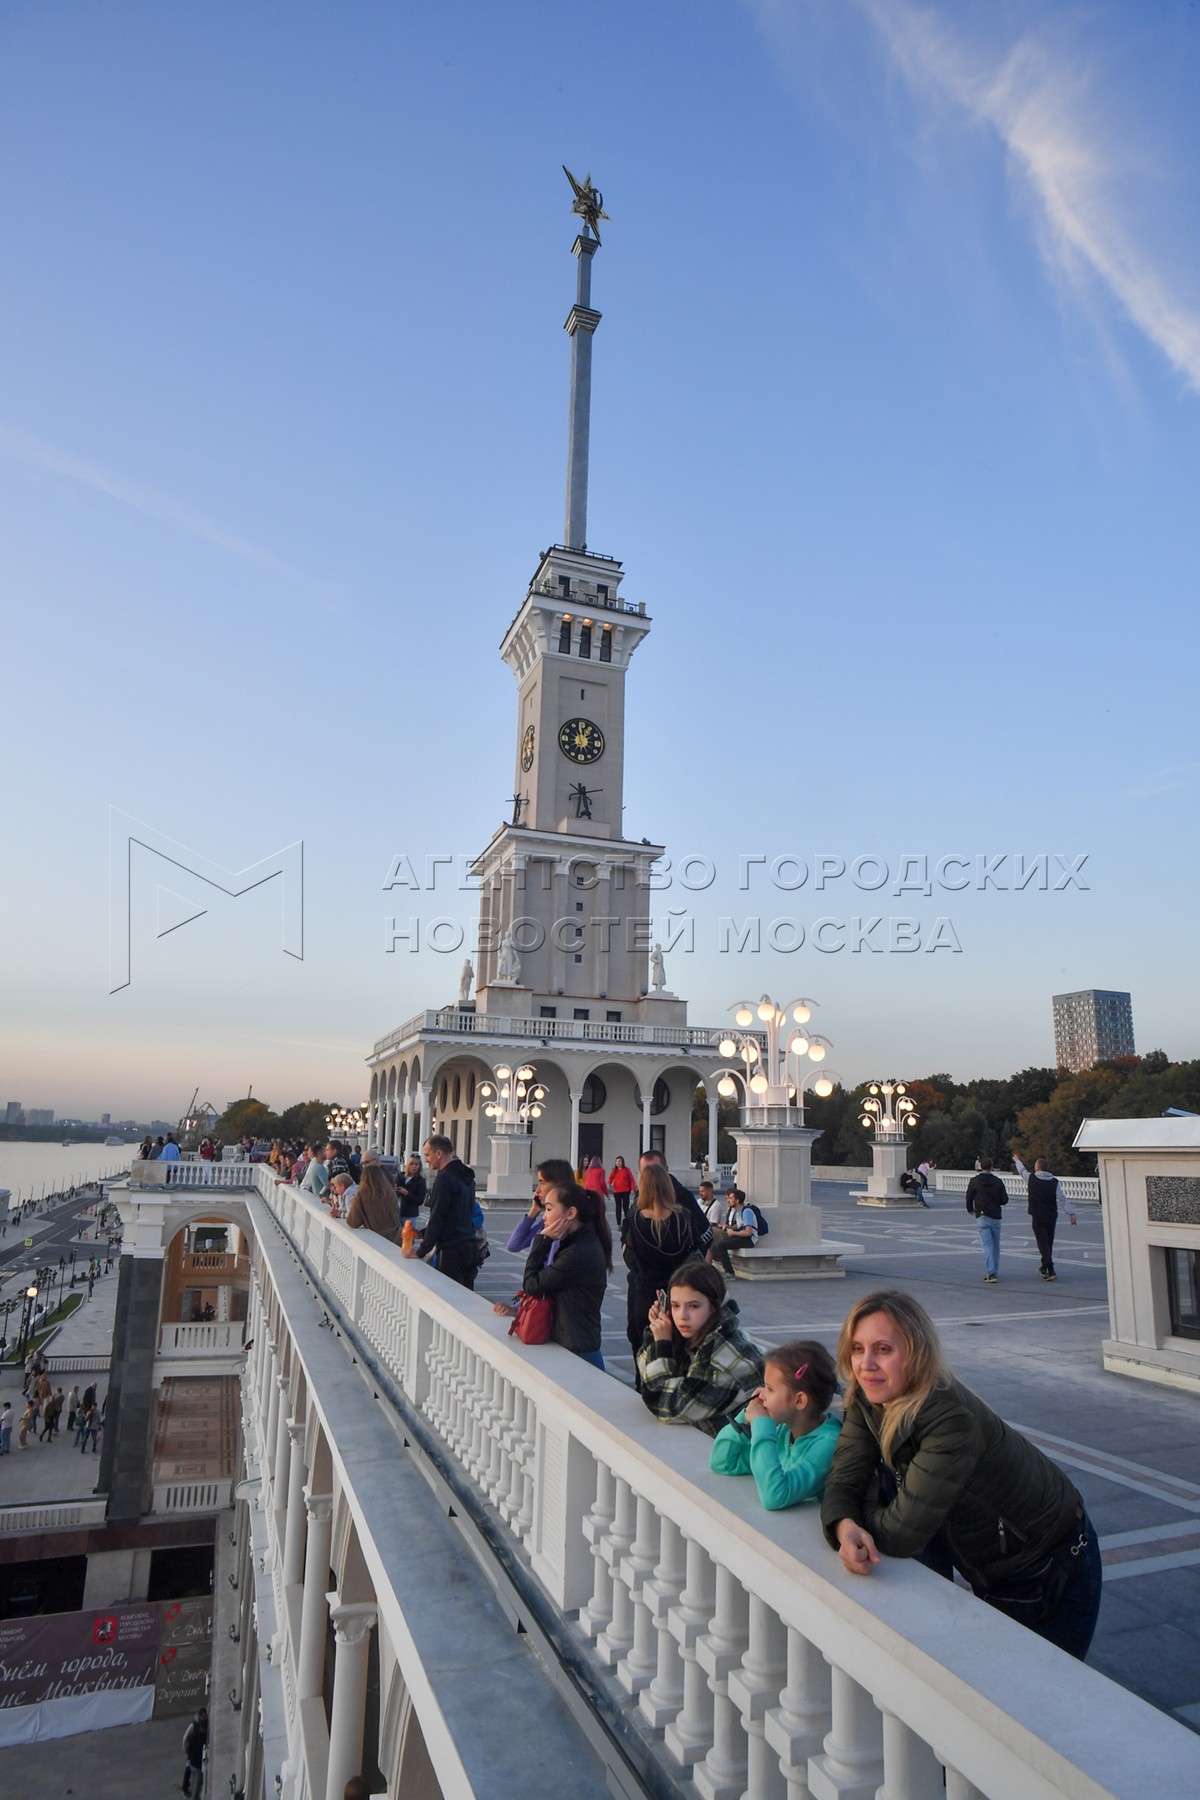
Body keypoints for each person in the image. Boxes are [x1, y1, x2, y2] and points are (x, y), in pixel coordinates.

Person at [820, 1290, 1102, 1659]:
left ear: (917, 1352)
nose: (866, 1364)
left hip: (1049, 1564)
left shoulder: (950, 1421)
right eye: (857, 1349)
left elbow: (902, 1532)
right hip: (992, 1561)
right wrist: (845, 1525)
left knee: (1044, 1686)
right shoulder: (868, 1398)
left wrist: (865, 1512)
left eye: (883, 1349)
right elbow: (844, 1477)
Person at [637, 1260, 764, 1436]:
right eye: (675, 1305)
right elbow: (647, 1376)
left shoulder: (723, 1354)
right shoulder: (699, 1336)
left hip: (743, 1450)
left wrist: (660, 1345)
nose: (682, 1316)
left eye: (693, 1306)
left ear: (714, 1306)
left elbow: (664, 1404)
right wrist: (657, 1332)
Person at [711, 1339, 841, 1509]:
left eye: (770, 1389)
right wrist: (744, 1419)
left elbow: (776, 1495)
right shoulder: (783, 1431)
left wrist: (762, 1427)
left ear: (800, 1401)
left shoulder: (828, 1445)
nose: (761, 1395)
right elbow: (723, 1462)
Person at [493, 1182, 611, 1367]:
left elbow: (532, 1284)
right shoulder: (576, 1242)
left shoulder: (578, 1252)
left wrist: (542, 1240)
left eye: (548, 1209)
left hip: (579, 1352)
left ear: (571, 1213)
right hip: (574, 1345)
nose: (544, 1216)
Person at [622, 1162, 708, 1376]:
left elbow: (630, 1258)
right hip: (675, 1293)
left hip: (644, 1290)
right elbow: (697, 1247)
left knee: (643, 1347)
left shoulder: (635, 1218)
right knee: (675, 1348)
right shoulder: (683, 1217)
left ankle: (644, 1385)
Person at [406, 1136, 479, 1288]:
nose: (426, 1160)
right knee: (465, 1295)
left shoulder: (444, 1178)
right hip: (470, 1246)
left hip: (451, 1251)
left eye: (427, 1155)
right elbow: (457, 1215)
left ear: (438, 1153)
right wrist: (424, 1233)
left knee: (449, 1295)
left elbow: (438, 1217)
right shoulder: (467, 1177)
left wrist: (420, 1251)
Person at [1026, 1158, 1077, 1281]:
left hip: (1037, 1215)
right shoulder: (1054, 1181)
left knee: (1042, 1243)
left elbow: (1021, 1170)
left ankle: (1050, 1269)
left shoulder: (1031, 1178)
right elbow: (1062, 1198)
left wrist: (1017, 1161)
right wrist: (1071, 1213)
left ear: (1037, 1167)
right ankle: (1044, 1267)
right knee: (1048, 1242)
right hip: (1051, 1215)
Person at [964, 1157, 1009, 1283]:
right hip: (995, 1215)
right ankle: (995, 1270)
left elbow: (969, 1197)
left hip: (982, 1215)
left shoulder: (974, 1181)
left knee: (987, 1245)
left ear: (980, 1166)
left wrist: (970, 1209)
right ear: (991, 1167)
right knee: (996, 1245)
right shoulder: (998, 1181)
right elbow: (1004, 1200)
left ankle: (991, 1272)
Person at [345, 1163, 403, 1244]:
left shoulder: (362, 1195)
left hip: (377, 1240)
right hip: (396, 1238)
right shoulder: (390, 1192)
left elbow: (353, 1222)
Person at [708, 1185, 758, 1276]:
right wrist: (728, 1227)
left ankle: (729, 1272)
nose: (728, 1200)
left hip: (749, 1240)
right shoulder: (738, 1211)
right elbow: (738, 1225)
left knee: (721, 1245)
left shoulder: (747, 1212)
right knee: (716, 1243)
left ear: (737, 1200)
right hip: (741, 1236)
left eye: (730, 1198)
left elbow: (748, 1232)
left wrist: (733, 1232)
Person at [182, 1706, 208, 1796]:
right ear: (199, 1716)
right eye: (203, 1716)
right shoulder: (193, 1725)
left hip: (196, 1756)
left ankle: (188, 1788)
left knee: (192, 1773)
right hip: (192, 1755)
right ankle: (185, 1788)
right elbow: (185, 1739)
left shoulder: (203, 1724)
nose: (205, 1718)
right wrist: (186, 1750)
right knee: (189, 1770)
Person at [608, 1155, 636, 1230]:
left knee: (626, 1207)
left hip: (625, 1191)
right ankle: (619, 1224)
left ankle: (626, 1223)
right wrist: (608, 1183)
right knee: (618, 1207)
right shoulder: (614, 1170)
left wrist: (632, 1189)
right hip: (617, 1191)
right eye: (617, 1161)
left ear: (622, 1162)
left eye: (619, 1161)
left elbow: (632, 1180)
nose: (618, 1163)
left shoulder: (627, 1170)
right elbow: (610, 1178)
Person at [396, 1155, 427, 1221]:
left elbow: (420, 1200)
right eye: (412, 1164)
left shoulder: (420, 1180)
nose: (414, 1166)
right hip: (397, 1212)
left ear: (419, 1166)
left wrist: (407, 1193)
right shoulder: (401, 1176)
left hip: (410, 1215)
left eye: (416, 1164)